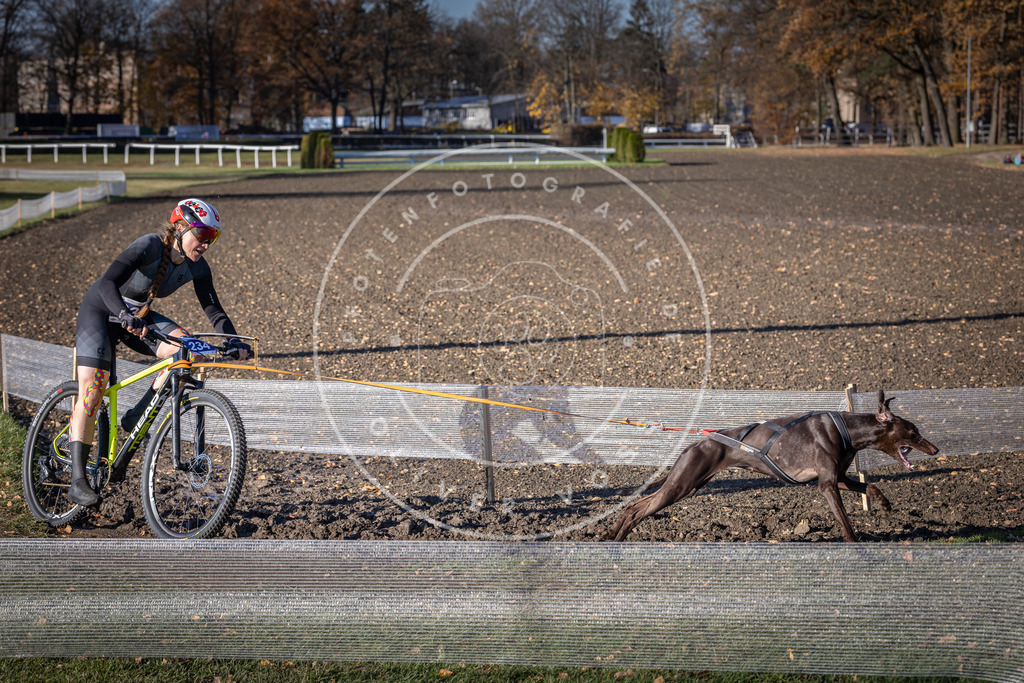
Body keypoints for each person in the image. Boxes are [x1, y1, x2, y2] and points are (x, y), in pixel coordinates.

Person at [67, 198, 250, 507]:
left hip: (137, 315)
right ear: (180, 228)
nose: (207, 244)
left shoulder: (197, 266)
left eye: (213, 237)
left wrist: (234, 341)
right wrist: (124, 316)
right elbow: (107, 283)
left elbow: (215, 310)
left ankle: (137, 415)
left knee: (189, 350)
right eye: (203, 234)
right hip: (101, 311)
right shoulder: (149, 246)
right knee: (93, 389)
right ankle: (77, 480)